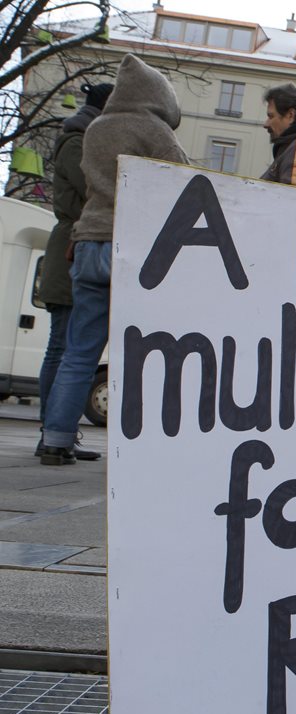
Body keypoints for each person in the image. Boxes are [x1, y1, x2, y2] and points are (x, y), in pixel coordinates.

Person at [40, 55, 189, 465]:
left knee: (79, 351)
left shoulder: (95, 129)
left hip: (88, 243)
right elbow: (185, 179)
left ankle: (55, 439)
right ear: (158, 96)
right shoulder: (152, 130)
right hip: (133, 247)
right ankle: (143, 449)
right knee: (144, 352)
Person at [34, 82, 113, 461]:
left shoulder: (81, 136)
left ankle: (56, 433)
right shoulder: (78, 140)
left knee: (67, 346)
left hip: (77, 243)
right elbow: (92, 187)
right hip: (73, 245)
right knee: (63, 347)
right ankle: (51, 432)